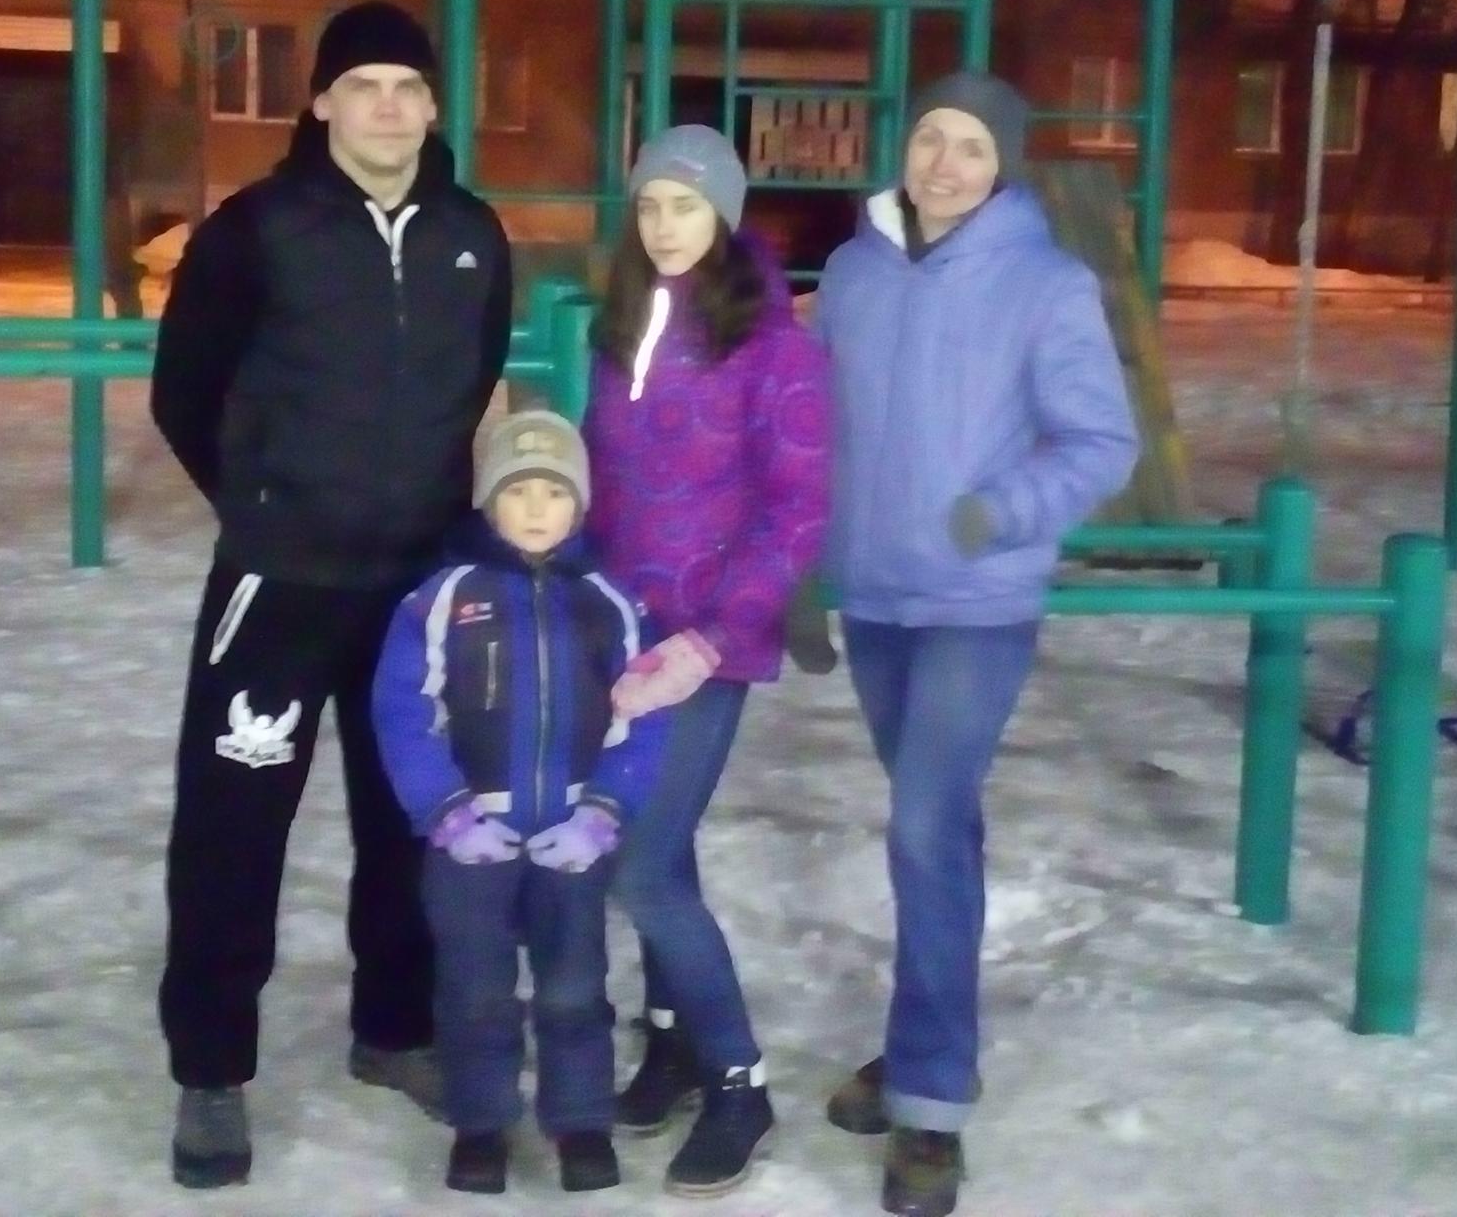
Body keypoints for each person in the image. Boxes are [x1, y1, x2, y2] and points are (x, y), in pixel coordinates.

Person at [149, 1, 513, 1190]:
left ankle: (395, 1029)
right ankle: (212, 1071)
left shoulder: (472, 235)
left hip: (413, 588)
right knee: (232, 830)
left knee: (408, 821)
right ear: (321, 101)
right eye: (364, 85)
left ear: (434, 105)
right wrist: (262, 504)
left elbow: (475, 379)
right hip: (282, 583)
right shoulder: (257, 231)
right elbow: (184, 390)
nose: (388, 108)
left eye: (408, 87)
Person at [814, 72, 1139, 1217]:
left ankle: (934, 1102)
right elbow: (815, 428)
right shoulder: (851, 273)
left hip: (976, 602)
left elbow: (1102, 442)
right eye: (930, 139)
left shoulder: (1048, 284)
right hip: (875, 598)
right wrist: (804, 563)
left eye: (970, 148)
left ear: (1002, 166)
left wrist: (996, 514)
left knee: (922, 825)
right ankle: (922, 1042)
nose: (944, 165)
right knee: (935, 830)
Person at [580, 123, 832, 1196]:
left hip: (709, 646)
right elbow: (596, 478)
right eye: (649, 205)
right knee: (656, 851)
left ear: (724, 215)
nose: (664, 225)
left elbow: (798, 509)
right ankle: (673, 1042)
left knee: (639, 864)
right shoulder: (623, 327)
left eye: (685, 205)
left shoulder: (776, 349)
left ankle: (739, 1081)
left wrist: (716, 634)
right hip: (619, 635)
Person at [372, 410, 670, 1198]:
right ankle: (481, 1124)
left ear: (580, 504)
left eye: (555, 492)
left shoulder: (611, 604)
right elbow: (403, 710)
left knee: (574, 983)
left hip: (571, 837)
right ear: (487, 501)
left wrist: (605, 810)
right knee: (474, 988)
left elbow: (644, 716)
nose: (537, 508)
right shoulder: (440, 601)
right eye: (518, 491)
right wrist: (445, 809)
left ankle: (581, 1121)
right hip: (472, 839)